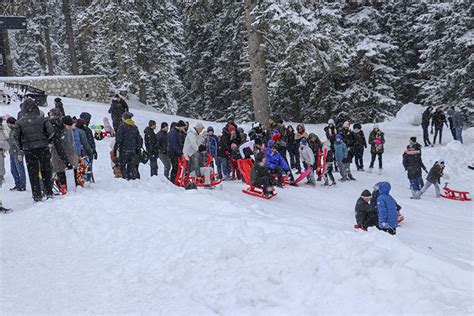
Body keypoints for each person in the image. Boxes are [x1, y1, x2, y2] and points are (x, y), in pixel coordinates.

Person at [14, 98, 55, 202]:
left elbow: (16, 137)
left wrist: (21, 147)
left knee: (33, 173)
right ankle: (49, 192)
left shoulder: (20, 122)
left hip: (29, 150)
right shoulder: (42, 118)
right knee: (46, 170)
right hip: (43, 147)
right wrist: (45, 140)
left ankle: (37, 196)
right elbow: (51, 132)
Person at [114, 112, 143, 180]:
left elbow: (118, 139)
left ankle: (125, 178)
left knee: (123, 165)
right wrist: (138, 148)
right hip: (133, 150)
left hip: (124, 150)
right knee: (131, 165)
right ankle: (131, 178)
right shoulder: (134, 127)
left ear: (124, 118)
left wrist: (115, 148)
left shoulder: (122, 126)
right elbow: (139, 139)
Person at [53, 116, 79, 192]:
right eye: (68, 126)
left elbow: (70, 143)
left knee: (70, 172)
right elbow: (59, 147)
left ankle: (72, 188)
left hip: (67, 154)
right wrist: (66, 162)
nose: (69, 128)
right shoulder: (57, 129)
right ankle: (63, 190)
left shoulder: (66, 130)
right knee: (61, 174)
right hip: (59, 155)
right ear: (65, 124)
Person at [6, 117, 26, 191]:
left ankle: (22, 185)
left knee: (20, 169)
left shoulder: (17, 130)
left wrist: (20, 153)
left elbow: (19, 142)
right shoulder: (11, 131)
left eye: (8, 123)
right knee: (13, 170)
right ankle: (17, 184)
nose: (7, 125)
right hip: (12, 152)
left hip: (17, 152)